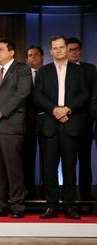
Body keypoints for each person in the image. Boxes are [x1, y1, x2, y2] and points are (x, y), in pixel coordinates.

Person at [34, 36, 88, 219]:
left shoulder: (79, 71)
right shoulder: (43, 71)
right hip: (49, 124)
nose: (58, 50)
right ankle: (51, 205)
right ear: (50, 51)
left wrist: (67, 109)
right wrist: (54, 110)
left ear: (66, 49)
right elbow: (37, 96)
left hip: (71, 124)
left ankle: (70, 205)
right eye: (54, 48)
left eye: (61, 47)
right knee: (49, 167)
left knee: (70, 166)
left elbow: (84, 94)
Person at [0, 38, 32, 218]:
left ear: (11, 52)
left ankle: (17, 206)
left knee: (14, 168)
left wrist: (1, 112)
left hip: (11, 125)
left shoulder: (22, 69)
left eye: (0, 49)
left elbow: (22, 94)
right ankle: (0, 205)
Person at [66, 37, 97, 201]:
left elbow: (93, 95)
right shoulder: (60, 68)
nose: (74, 52)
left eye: (77, 49)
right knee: (67, 161)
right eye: (71, 49)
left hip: (85, 121)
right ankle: (67, 195)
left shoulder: (90, 69)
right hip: (64, 121)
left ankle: (85, 194)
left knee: (85, 159)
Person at [24, 45, 44, 199]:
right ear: (26, 59)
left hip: (46, 121)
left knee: (48, 158)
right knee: (27, 158)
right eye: (30, 55)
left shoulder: (49, 73)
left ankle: (47, 192)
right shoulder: (22, 74)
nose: (33, 57)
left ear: (42, 57)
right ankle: (29, 191)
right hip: (26, 123)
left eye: (36, 55)